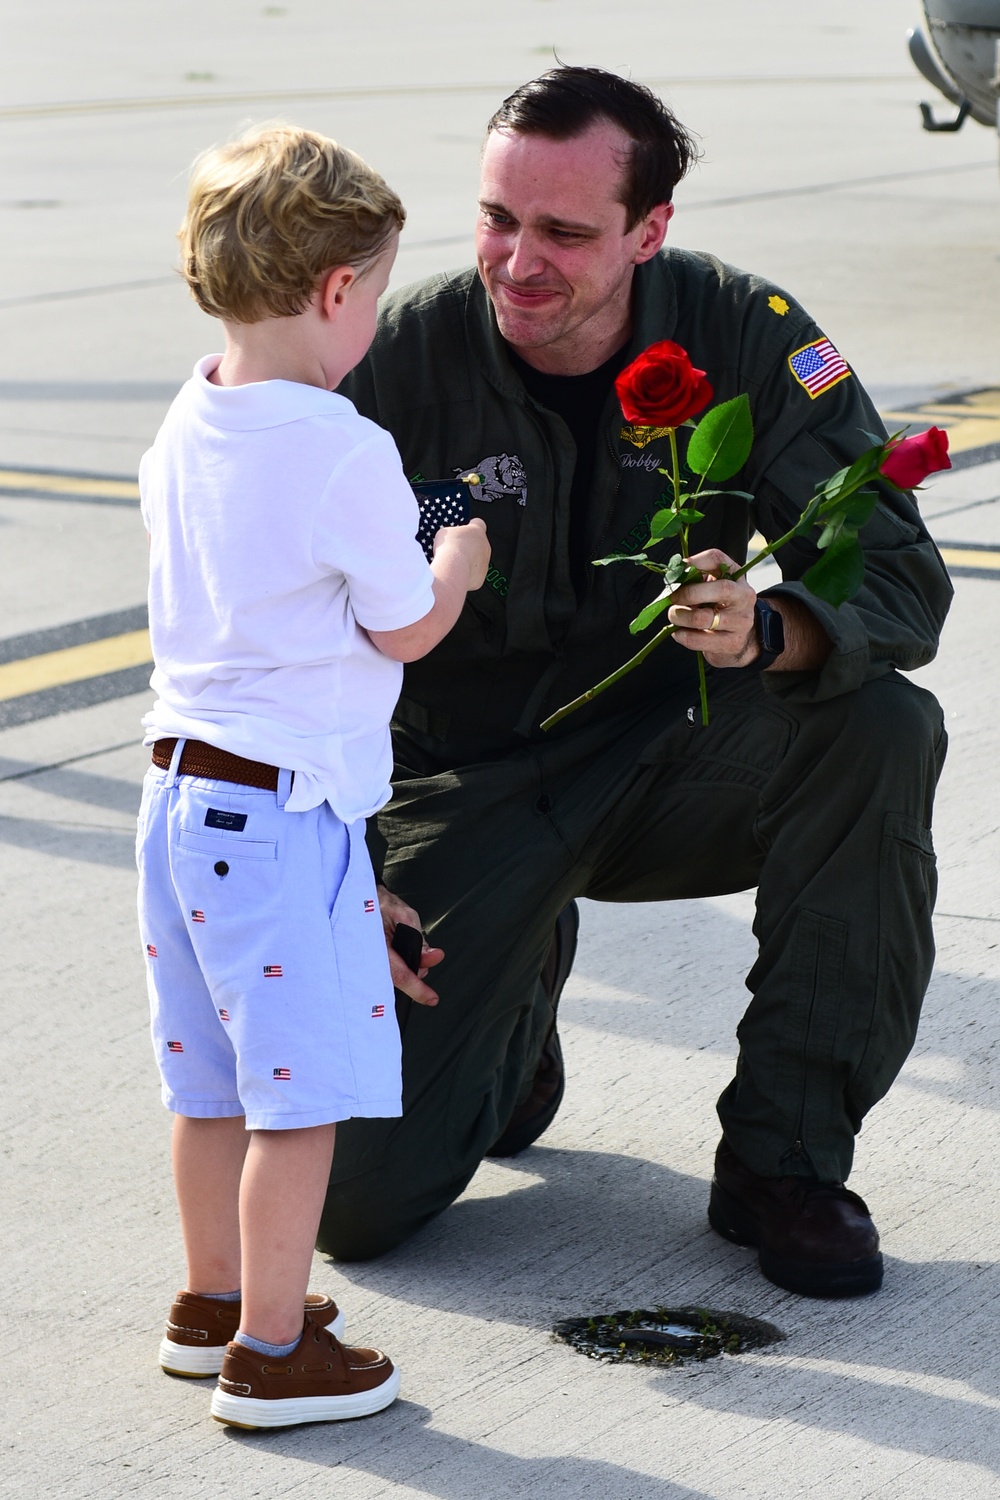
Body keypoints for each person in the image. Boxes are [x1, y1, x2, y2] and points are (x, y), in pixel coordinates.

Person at [324, 67, 952, 1299]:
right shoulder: (397, 366)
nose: (518, 262)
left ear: (648, 231)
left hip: (686, 756)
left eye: (564, 233)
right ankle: (509, 1020)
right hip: (468, 786)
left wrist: (773, 632)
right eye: (499, 218)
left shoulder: (750, 336)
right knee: (356, 1200)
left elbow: (899, 577)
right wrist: (333, 873)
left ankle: (785, 1163)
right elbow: (281, 644)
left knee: (880, 722)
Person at [136, 124, 490, 1429]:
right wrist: (457, 564)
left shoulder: (190, 415)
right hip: (280, 819)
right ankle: (276, 1356)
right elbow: (404, 625)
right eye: (379, 294)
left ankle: (212, 1304)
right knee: (302, 1096)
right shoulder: (340, 446)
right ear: (338, 290)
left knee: (210, 1081)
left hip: (176, 800)